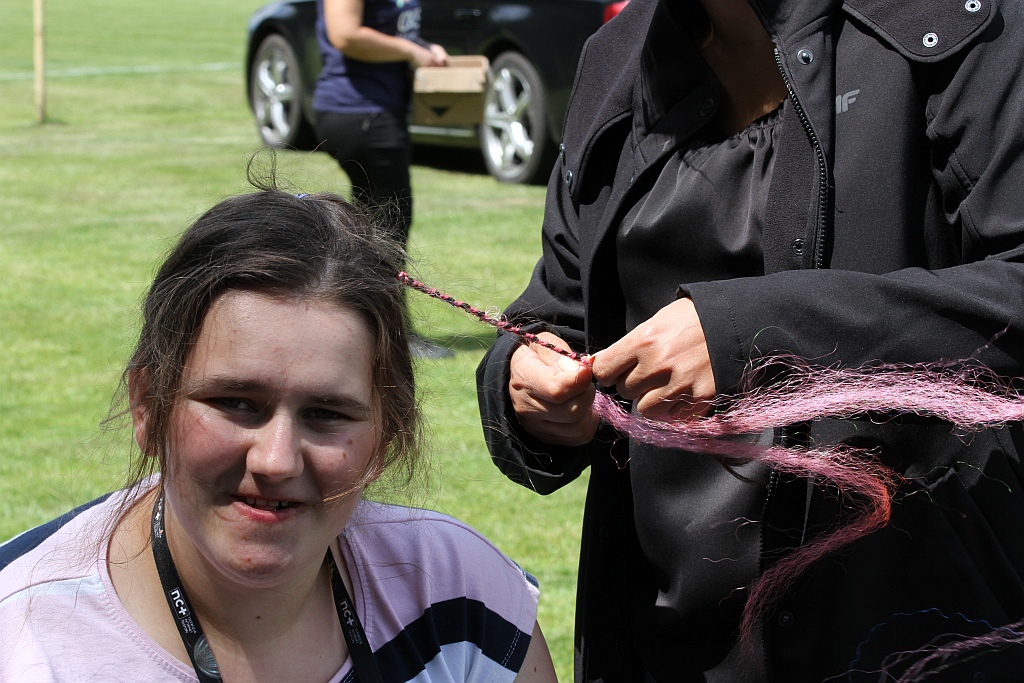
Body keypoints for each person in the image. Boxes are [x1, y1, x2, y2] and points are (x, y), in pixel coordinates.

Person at [476, 0, 1024, 681]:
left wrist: (750, 337)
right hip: (661, 644)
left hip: (908, 633)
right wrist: (521, 383)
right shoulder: (617, 57)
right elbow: (560, 307)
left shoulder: (962, 25)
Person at [0, 181, 557, 683]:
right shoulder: (25, 639)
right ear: (150, 405)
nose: (276, 460)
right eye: (236, 402)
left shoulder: (460, 600)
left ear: (385, 439)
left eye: (327, 413)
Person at [312, 0, 446, 247]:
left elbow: (389, 29)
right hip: (360, 112)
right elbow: (346, 35)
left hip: (381, 111)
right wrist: (410, 50)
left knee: (376, 229)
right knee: (387, 235)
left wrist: (425, 47)